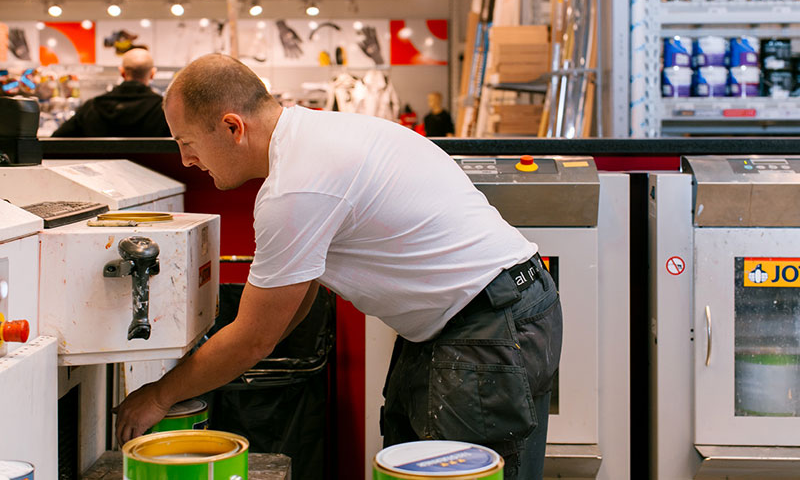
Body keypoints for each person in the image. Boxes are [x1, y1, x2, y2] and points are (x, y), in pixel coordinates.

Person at [114, 54, 562, 480]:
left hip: (488, 326)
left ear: (232, 127)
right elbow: (293, 303)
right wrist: (220, 362)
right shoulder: (310, 137)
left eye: (186, 143)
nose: (186, 160)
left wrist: (158, 395)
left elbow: (254, 338)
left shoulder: (295, 188)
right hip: (474, 317)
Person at [50, 48, 170, 137]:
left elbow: (56, 141)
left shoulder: (92, 107)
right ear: (152, 74)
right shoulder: (164, 111)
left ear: (122, 72)